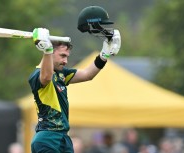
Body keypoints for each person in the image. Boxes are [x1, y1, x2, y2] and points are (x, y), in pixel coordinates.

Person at [28, 6, 121, 153]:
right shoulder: (37, 75)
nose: (65, 61)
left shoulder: (61, 74)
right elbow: (46, 77)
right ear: (51, 52)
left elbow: (87, 74)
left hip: (63, 137)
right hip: (47, 138)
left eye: (67, 57)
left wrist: (104, 55)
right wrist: (47, 50)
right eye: (62, 56)